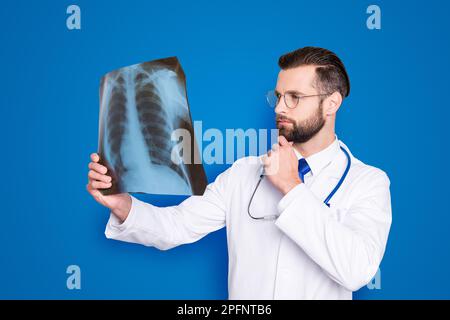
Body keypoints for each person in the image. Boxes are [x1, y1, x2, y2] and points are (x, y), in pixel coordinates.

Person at [86, 46, 392, 299]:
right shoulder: (244, 173)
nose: (280, 108)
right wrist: (123, 206)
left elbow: (357, 270)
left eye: (294, 97)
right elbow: (176, 226)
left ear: (332, 103)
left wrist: (292, 188)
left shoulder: (368, 182)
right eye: (278, 95)